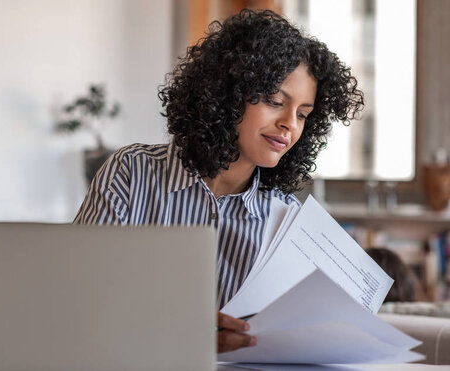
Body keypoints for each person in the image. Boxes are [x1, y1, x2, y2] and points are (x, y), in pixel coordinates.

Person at [74, 9, 364, 353]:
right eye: (275, 101)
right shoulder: (131, 173)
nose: (290, 124)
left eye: (303, 114)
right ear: (227, 94)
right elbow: (78, 301)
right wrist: (180, 334)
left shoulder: (287, 220)